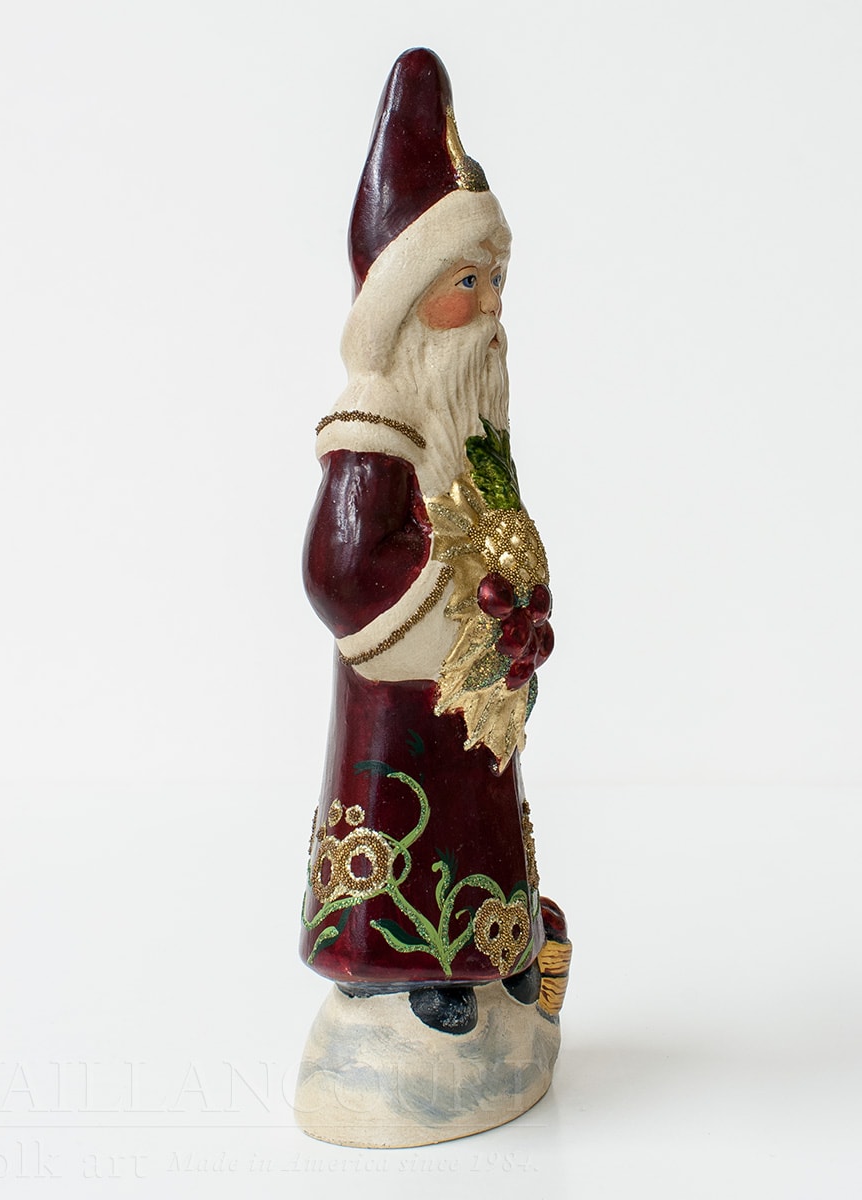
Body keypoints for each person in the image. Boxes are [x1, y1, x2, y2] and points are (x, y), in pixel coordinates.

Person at [300, 48, 564, 1035]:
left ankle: (491, 946)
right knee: (405, 811)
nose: (491, 308)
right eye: (466, 281)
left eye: (496, 280)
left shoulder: (468, 417)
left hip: (476, 682)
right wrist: (451, 612)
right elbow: (339, 569)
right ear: (406, 300)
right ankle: (399, 965)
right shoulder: (378, 419)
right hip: (407, 683)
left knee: (473, 811)